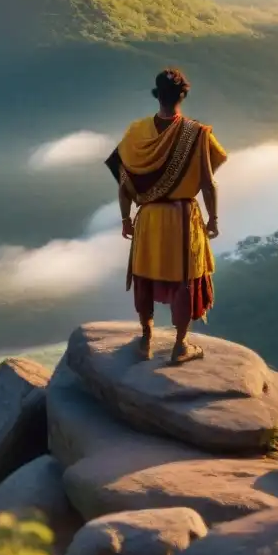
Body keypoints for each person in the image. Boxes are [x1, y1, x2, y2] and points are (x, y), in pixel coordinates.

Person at [105, 68, 228, 365]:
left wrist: (126, 219)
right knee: (185, 279)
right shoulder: (197, 134)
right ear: (182, 96)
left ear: (157, 95)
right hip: (182, 218)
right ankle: (180, 345)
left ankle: (145, 341)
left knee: (144, 276)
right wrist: (213, 219)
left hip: (148, 217)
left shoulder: (136, 133)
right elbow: (208, 182)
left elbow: (125, 184)